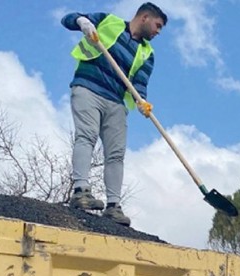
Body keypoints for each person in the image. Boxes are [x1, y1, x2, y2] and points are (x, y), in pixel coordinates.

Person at [61, 3, 168, 226]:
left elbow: (139, 84)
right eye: (158, 26)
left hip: (116, 102)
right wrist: (82, 22)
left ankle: (113, 207)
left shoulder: (147, 53)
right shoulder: (108, 21)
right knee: (86, 136)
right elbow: (68, 19)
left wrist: (142, 102)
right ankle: (81, 191)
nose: (158, 31)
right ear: (145, 17)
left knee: (116, 154)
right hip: (88, 87)